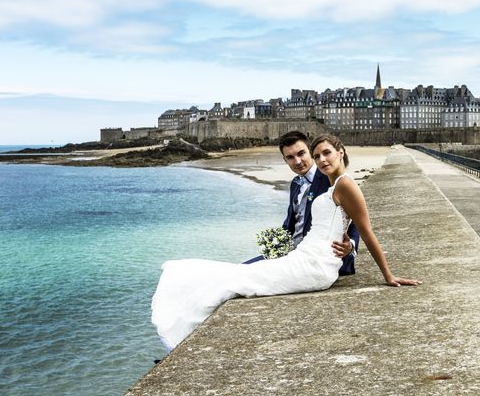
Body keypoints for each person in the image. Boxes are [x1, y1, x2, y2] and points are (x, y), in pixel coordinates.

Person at [151, 135, 421, 351]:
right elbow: (304, 224)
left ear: (341, 152)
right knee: (239, 273)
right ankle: (186, 336)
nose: (319, 159)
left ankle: (182, 334)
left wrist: (385, 273)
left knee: (237, 280)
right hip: (303, 256)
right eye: (317, 155)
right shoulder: (325, 183)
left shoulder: (345, 185)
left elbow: (365, 230)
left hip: (315, 265)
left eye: (323, 153)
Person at [244, 131, 359, 275]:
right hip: (290, 253)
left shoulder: (329, 178)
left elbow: (355, 218)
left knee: (247, 274)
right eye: (290, 157)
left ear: (311, 152)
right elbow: (291, 223)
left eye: (301, 153)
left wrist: (351, 245)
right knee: (241, 269)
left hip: (319, 259)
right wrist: (273, 244)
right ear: (285, 160)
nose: (297, 161)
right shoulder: (296, 183)